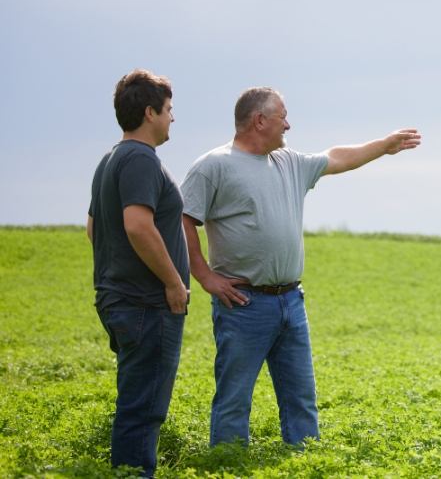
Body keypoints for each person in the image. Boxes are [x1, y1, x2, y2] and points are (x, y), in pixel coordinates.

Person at [179, 86, 420, 447]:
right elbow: (183, 220)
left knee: (301, 399)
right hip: (243, 303)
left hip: (291, 300)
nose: (288, 125)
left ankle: (304, 461)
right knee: (234, 400)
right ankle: (227, 463)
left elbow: (336, 158)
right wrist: (205, 277)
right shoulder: (214, 165)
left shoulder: (288, 162)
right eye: (282, 117)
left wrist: (383, 146)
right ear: (259, 121)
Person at [87, 69, 190, 478]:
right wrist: (172, 282)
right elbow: (136, 225)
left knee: (135, 404)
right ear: (150, 112)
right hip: (148, 305)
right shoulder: (140, 160)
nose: (172, 118)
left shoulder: (110, 159)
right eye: (168, 110)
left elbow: (95, 228)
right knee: (143, 411)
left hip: (123, 300)